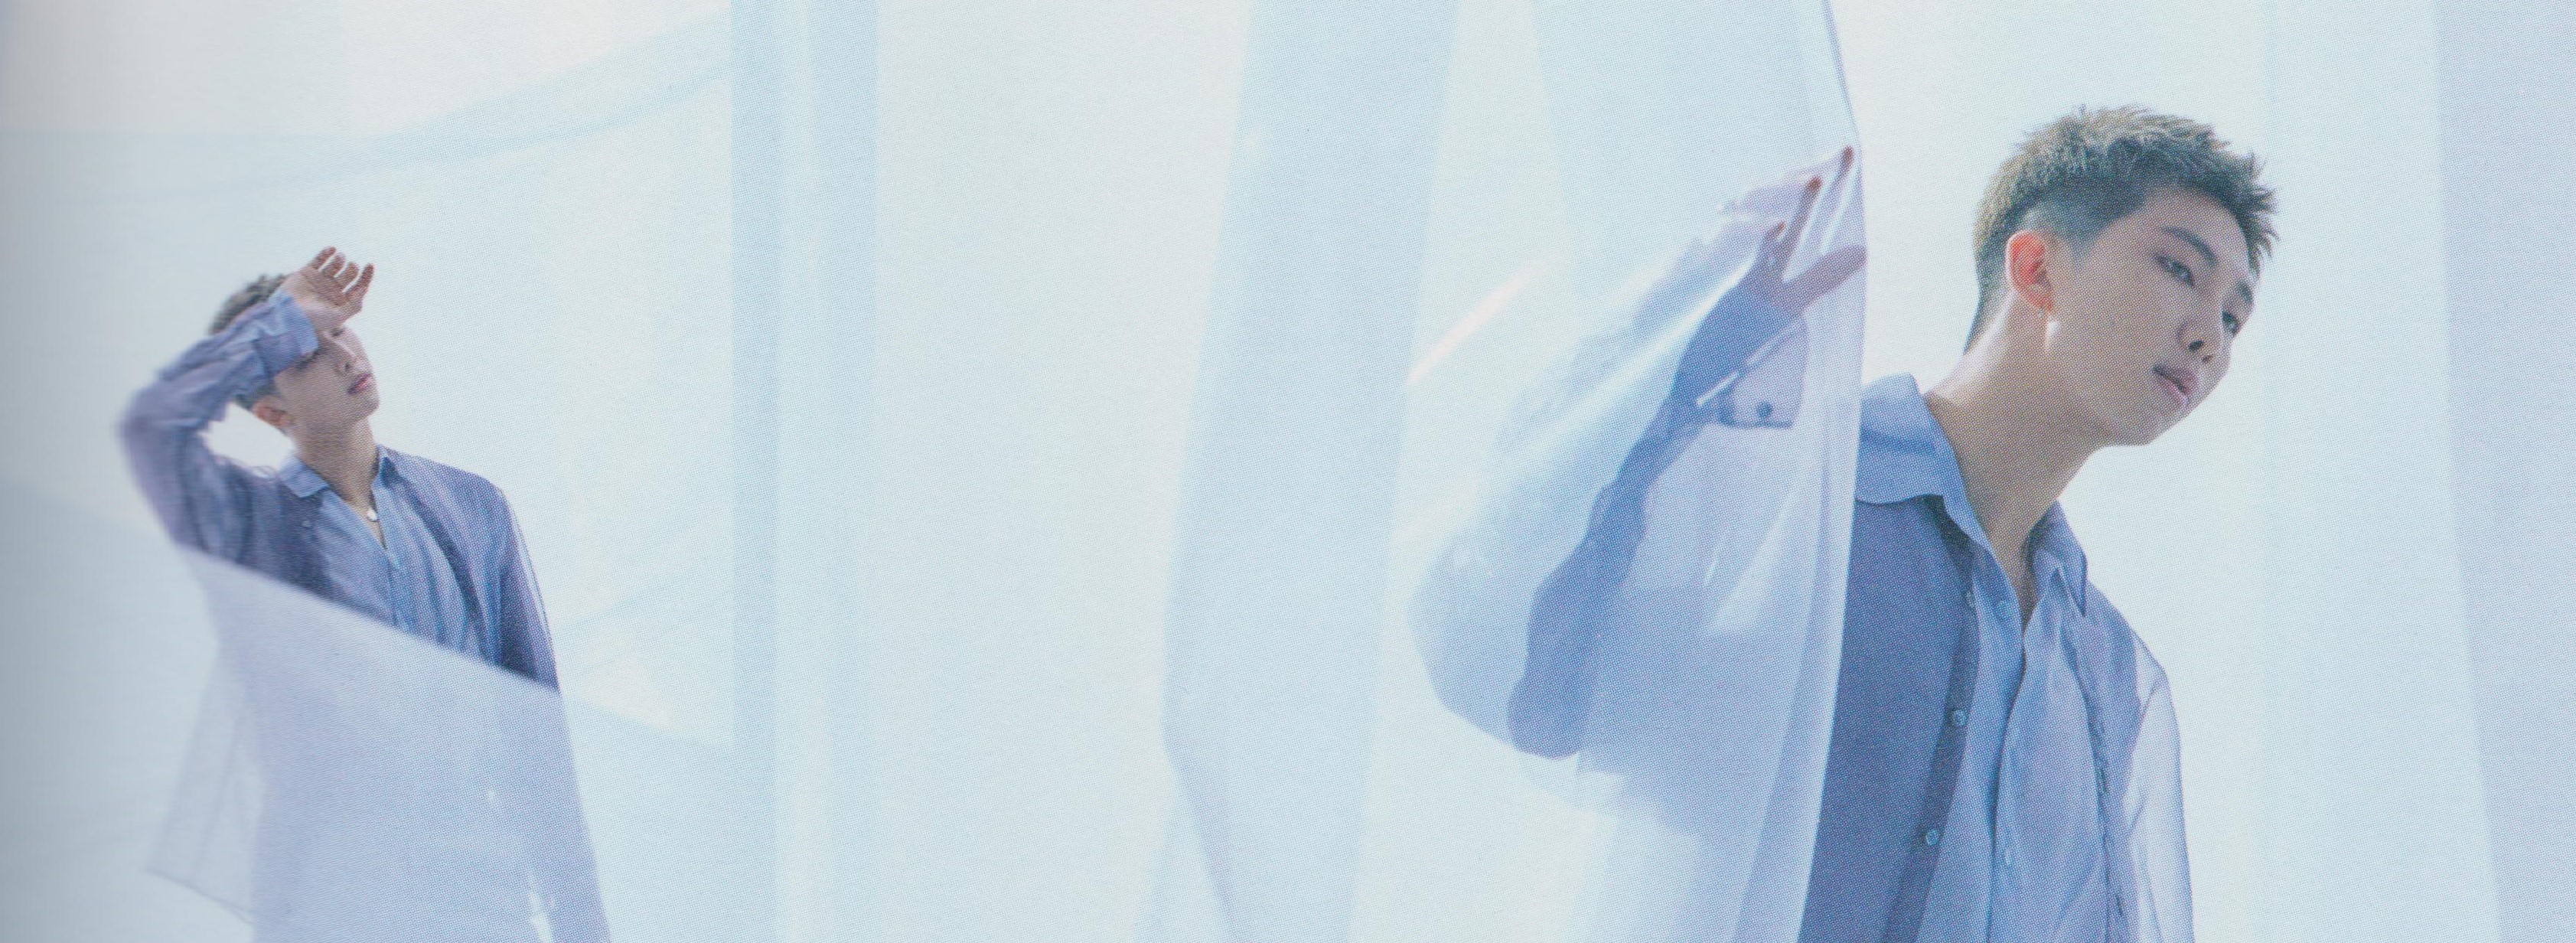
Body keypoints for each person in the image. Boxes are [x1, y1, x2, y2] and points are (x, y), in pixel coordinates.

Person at [1427, 106, 2272, 942]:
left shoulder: (2105, 670)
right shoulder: (1795, 498)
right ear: (2036, 267)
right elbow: (1517, 676)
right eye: (2179, 269)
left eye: (2234, 318)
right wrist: (1672, 354)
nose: (2210, 336)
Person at [120, 248, 609, 942]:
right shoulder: (247, 526)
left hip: (483, 895)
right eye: (306, 356)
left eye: (341, 332)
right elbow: (152, 429)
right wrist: (279, 322)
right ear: (272, 413)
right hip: (333, 900)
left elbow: (534, 728)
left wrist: (580, 917)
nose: (344, 357)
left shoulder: (470, 506)